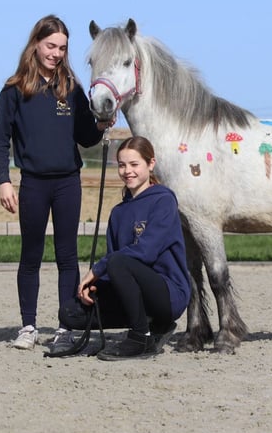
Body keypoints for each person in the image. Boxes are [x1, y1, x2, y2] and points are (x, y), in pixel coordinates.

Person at [0, 14, 109, 351]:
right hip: (33, 184)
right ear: (36, 44)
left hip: (67, 183)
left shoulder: (71, 88)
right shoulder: (14, 90)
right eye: (50, 46)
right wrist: (4, 181)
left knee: (67, 256)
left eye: (62, 48)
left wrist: (101, 126)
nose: (56, 53)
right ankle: (28, 326)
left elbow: (85, 136)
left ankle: (65, 326)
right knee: (30, 255)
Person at [59, 136, 190, 360]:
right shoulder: (118, 213)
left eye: (134, 164)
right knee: (70, 312)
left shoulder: (164, 201)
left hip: (167, 293)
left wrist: (97, 269)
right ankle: (151, 326)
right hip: (132, 289)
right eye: (122, 165)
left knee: (118, 261)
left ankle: (141, 338)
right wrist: (96, 286)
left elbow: (144, 252)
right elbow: (114, 262)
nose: (127, 171)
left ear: (151, 164)